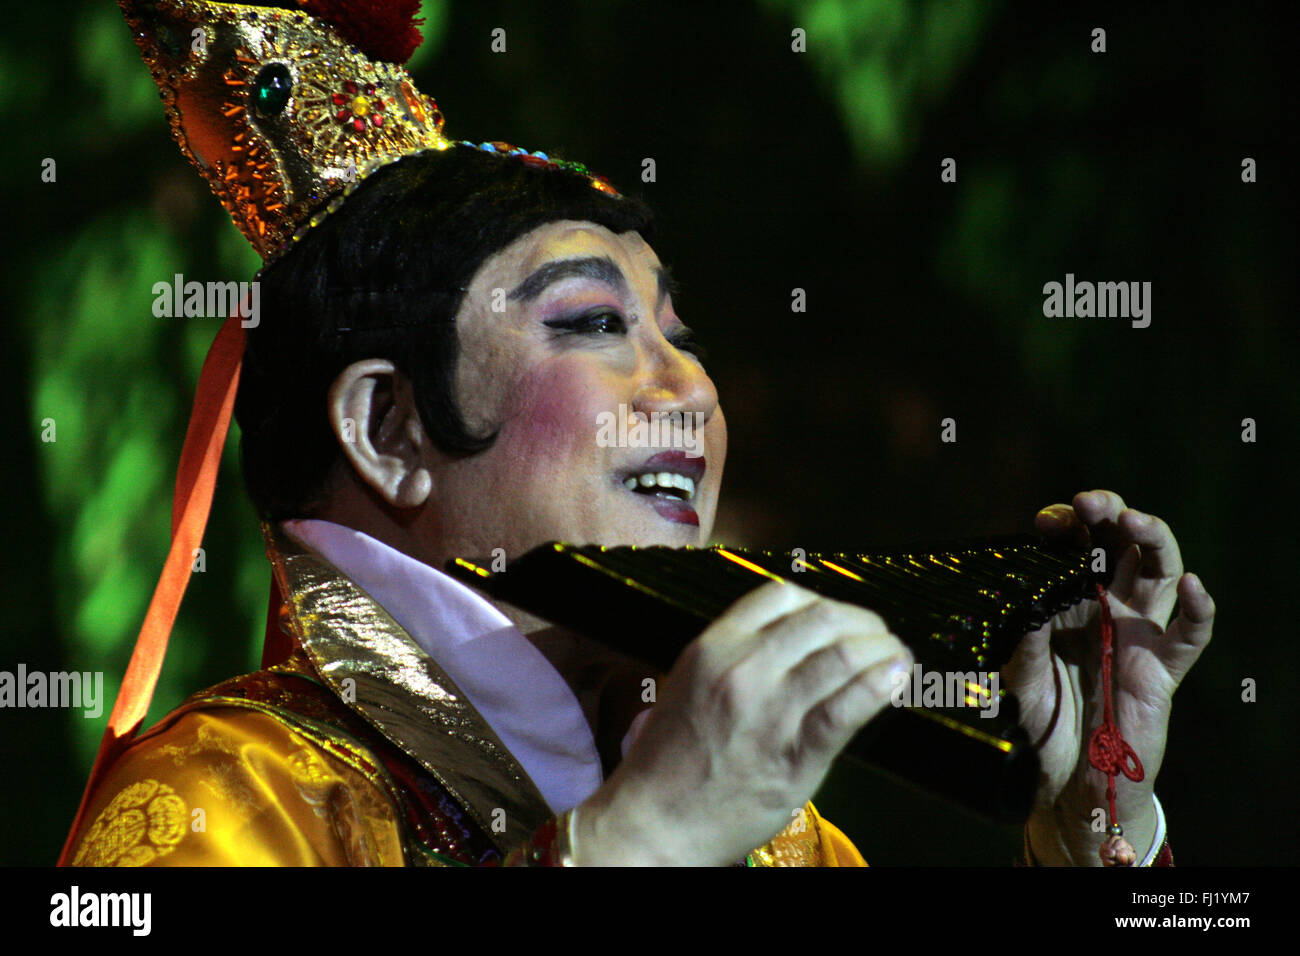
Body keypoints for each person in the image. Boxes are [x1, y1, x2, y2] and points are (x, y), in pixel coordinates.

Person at [61, 0, 1214, 867]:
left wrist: (1093, 823)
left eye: (681, 330)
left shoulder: (777, 833)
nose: (690, 389)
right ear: (387, 424)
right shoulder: (225, 801)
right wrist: (636, 842)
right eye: (593, 321)